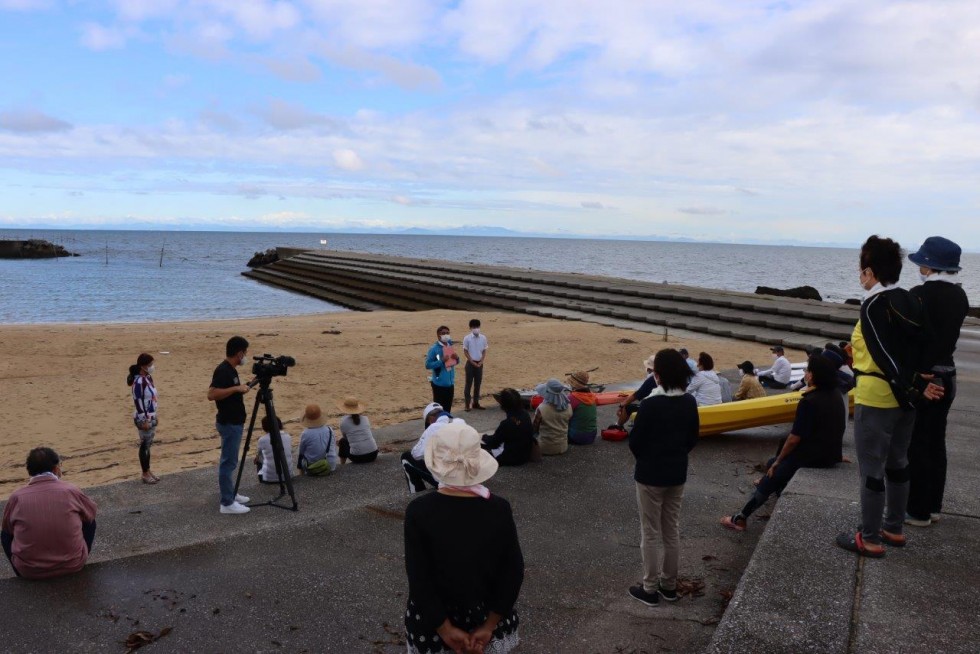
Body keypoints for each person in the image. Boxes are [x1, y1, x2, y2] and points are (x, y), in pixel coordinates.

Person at [835, 235, 944, 558]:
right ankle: (893, 528)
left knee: (872, 468)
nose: (859, 276)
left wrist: (912, 381)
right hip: (906, 401)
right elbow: (925, 344)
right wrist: (919, 382)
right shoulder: (911, 300)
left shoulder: (872, 305)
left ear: (869, 272)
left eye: (861, 270)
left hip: (878, 395)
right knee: (898, 462)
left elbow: (884, 355)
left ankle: (869, 537)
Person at [403, 422, 524, 654]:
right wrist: (489, 625)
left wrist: (445, 628)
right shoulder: (499, 508)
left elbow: (419, 577)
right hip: (488, 615)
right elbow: (513, 570)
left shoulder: (418, 511)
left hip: (433, 624)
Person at [721, 354, 847, 531]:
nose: (805, 373)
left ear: (812, 375)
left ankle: (740, 518)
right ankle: (777, 489)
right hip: (830, 453)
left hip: (815, 455)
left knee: (774, 471)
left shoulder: (809, 401)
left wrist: (779, 461)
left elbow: (795, 438)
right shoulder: (834, 394)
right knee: (774, 462)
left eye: (807, 370)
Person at [906, 236, 969, 528]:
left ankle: (916, 510)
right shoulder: (960, 297)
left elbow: (910, 339)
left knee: (917, 442)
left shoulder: (918, 295)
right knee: (936, 443)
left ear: (929, 266)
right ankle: (933, 506)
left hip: (926, 377)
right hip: (949, 374)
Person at [627, 349, 698, 606]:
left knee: (650, 532)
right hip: (676, 473)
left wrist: (648, 457)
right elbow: (692, 438)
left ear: (657, 375)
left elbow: (635, 441)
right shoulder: (689, 402)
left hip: (649, 474)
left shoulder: (650, 404)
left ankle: (649, 588)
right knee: (671, 530)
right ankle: (669, 586)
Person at [2, 447, 97, 579]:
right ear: (55, 469)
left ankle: (20, 567)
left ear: (30, 471)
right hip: (73, 565)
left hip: (29, 571)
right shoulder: (70, 490)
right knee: (89, 521)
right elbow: (91, 514)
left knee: (6, 534)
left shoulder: (16, 497)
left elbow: (7, 530)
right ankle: (75, 556)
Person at [207, 336, 253, 515]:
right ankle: (227, 503)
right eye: (245, 353)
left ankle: (231, 493)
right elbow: (211, 394)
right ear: (239, 353)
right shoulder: (223, 370)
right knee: (228, 462)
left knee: (231, 461)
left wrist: (241, 387)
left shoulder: (231, 369)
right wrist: (235, 389)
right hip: (229, 423)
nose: (246, 356)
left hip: (234, 421)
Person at [402, 402, 465, 493]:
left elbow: (416, 454)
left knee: (406, 457)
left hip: (449, 482)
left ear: (431, 417)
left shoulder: (434, 428)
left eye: (428, 421)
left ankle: (417, 493)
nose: (429, 423)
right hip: (466, 477)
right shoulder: (460, 422)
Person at [128, 352, 160, 484]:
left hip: (151, 415)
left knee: (148, 444)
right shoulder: (139, 382)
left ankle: (148, 470)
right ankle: (145, 473)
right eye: (150, 364)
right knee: (144, 445)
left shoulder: (148, 378)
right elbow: (138, 401)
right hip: (144, 418)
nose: (152, 366)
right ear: (143, 366)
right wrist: (144, 419)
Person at [482, 388, 535, 466]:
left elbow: (494, 443)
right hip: (525, 455)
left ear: (503, 405)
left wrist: (484, 437)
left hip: (509, 458)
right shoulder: (525, 414)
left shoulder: (506, 423)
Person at [614, 355, 659, 429]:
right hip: (666, 408)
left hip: (653, 410)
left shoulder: (651, 380)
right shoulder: (667, 377)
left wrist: (622, 405)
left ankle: (618, 426)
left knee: (627, 408)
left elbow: (636, 395)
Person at [296, 404, 339, 476]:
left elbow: (301, 451)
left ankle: (301, 476)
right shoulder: (329, 429)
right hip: (330, 465)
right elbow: (333, 445)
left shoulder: (305, 433)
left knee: (300, 455)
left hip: (313, 468)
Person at [532, 379, 571, 456]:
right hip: (563, 446)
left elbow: (534, 428)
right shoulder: (569, 406)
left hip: (545, 448)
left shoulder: (542, 408)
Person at [425, 325, 460, 412]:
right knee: (439, 411)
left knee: (447, 409)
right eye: (443, 333)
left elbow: (454, 363)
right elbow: (428, 365)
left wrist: (457, 358)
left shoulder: (449, 345)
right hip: (439, 385)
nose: (446, 335)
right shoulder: (434, 349)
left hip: (450, 384)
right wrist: (441, 361)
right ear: (438, 335)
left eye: (447, 333)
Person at [336, 396, 379, 464]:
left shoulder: (343, 422)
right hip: (373, 454)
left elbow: (346, 438)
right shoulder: (365, 419)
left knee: (342, 441)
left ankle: (342, 464)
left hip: (358, 457)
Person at [254, 415, 293, 483]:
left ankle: (262, 477)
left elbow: (259, 457)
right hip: (288, 476)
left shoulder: (262, 440)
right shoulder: (288, 437)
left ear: (264, 427)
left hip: (269, 479)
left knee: (258, 459)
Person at [462, 318, 489, 411]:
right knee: (468, 384)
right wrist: (472, 361)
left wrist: (481, 361)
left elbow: (485, 350)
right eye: (474, 327)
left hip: (479, 363)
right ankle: (467, 404)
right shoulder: (467, 338)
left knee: (478, 384)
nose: (476, 328)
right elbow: (465, 351)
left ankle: (476, 402)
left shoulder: (483, 337)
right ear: (470, 328)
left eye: (477, 326)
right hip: (470, 363)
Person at [566, 371, 598, 445]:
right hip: (592, 435)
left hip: (577, 437)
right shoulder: (592, 396)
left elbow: (565, 417)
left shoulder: (572, 398)